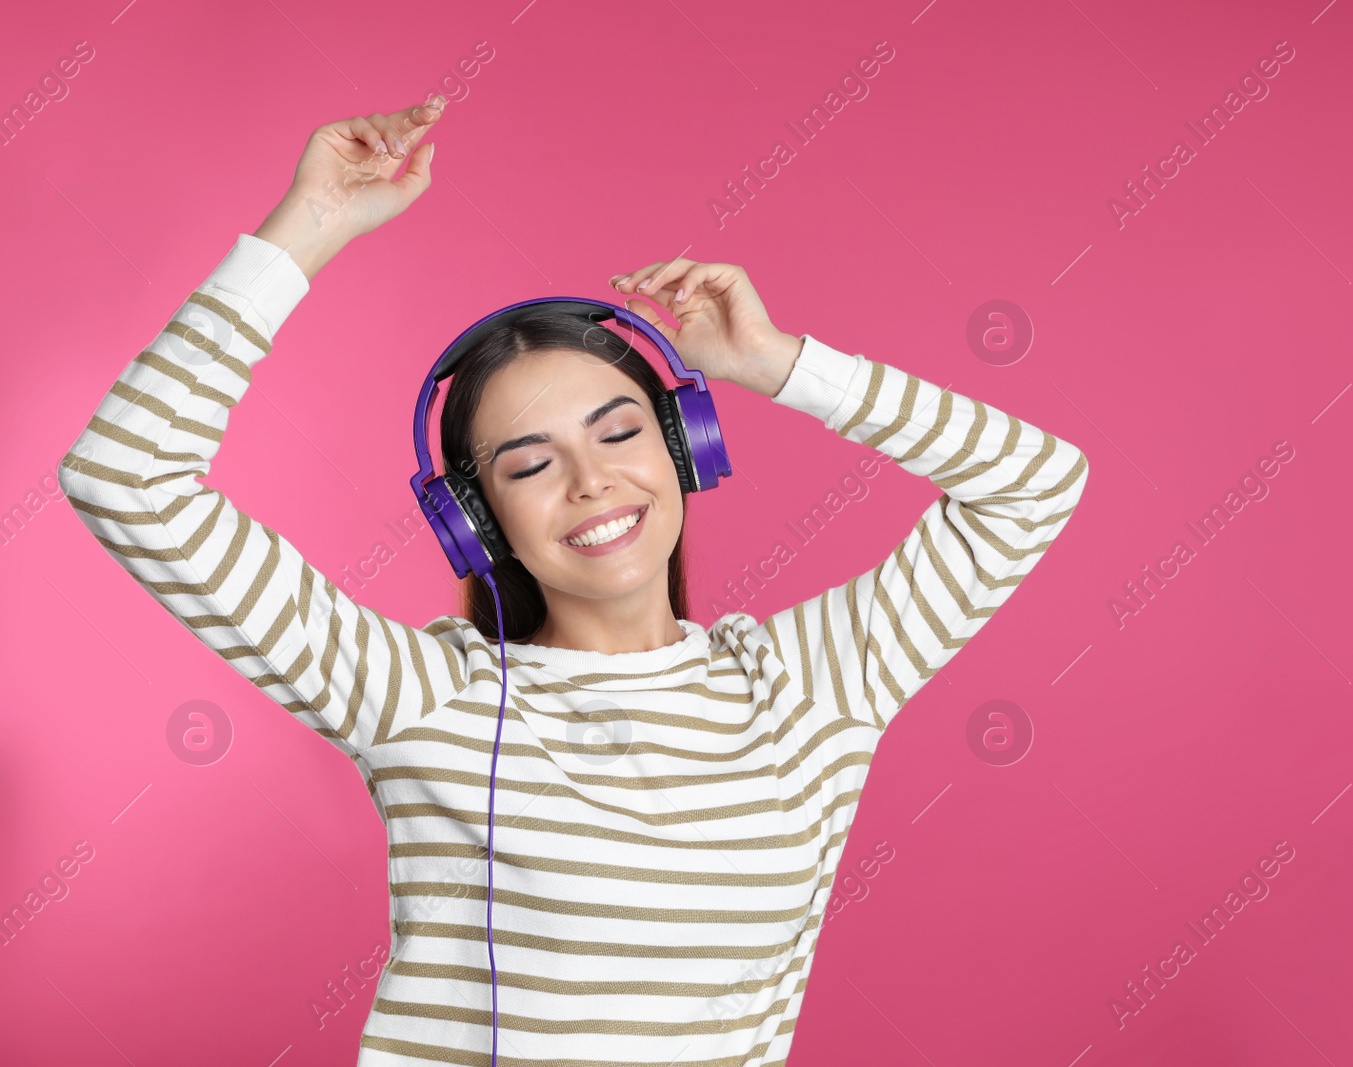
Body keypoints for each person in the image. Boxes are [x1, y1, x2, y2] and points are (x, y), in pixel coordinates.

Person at [56, 96, 1090, 1066]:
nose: (593, 480)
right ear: (475, 519)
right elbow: (124, 476)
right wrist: (310, 224)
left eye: (621, 430)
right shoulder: (422, 697)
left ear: (687, 446)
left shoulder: (814, 680)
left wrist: (778, 363)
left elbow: (1032, 483)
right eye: (530, 462)